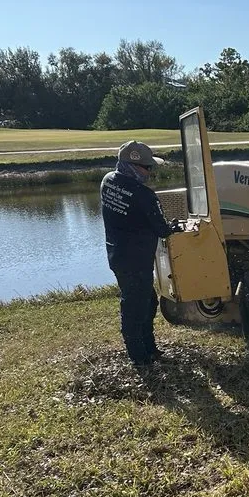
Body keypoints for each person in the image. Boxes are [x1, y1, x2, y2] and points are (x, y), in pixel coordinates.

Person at [101, 140, 184, 366]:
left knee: (147, 302)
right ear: (132, 166)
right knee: (136, 306)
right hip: (137, 259)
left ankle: (149, 348)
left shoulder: (108, 181)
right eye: (147, 167)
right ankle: (139, 357)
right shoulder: (144, 195)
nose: (151, 171)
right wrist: (175, 226)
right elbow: (162, 229)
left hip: (117, 254)